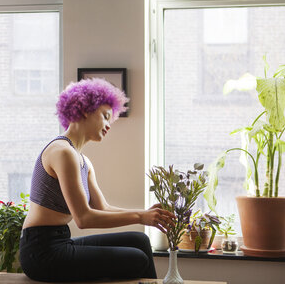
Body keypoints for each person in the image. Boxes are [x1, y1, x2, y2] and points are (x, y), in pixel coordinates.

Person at [19, 78, 175, 282]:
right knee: (136, 258)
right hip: (41, 252)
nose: (109, 125)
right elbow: (84, 218)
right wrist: (140, 217)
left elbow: (102, 207)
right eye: (105, 116)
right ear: (85, 110)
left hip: (61, 240)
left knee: (139, 240)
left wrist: (146, 214)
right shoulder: (62, 152)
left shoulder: (83, 161)